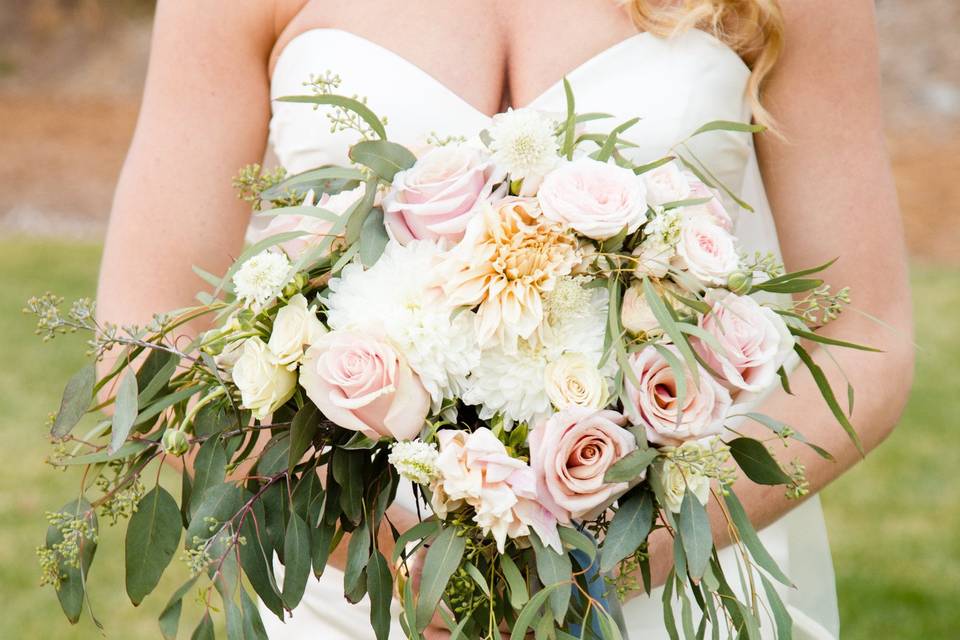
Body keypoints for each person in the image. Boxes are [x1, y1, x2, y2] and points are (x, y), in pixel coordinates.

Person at [97, 1, 914, 638]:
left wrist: (611, 570)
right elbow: (142, 342)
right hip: (356, 590)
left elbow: (868, 346)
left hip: (670, 586)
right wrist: (399, 564)